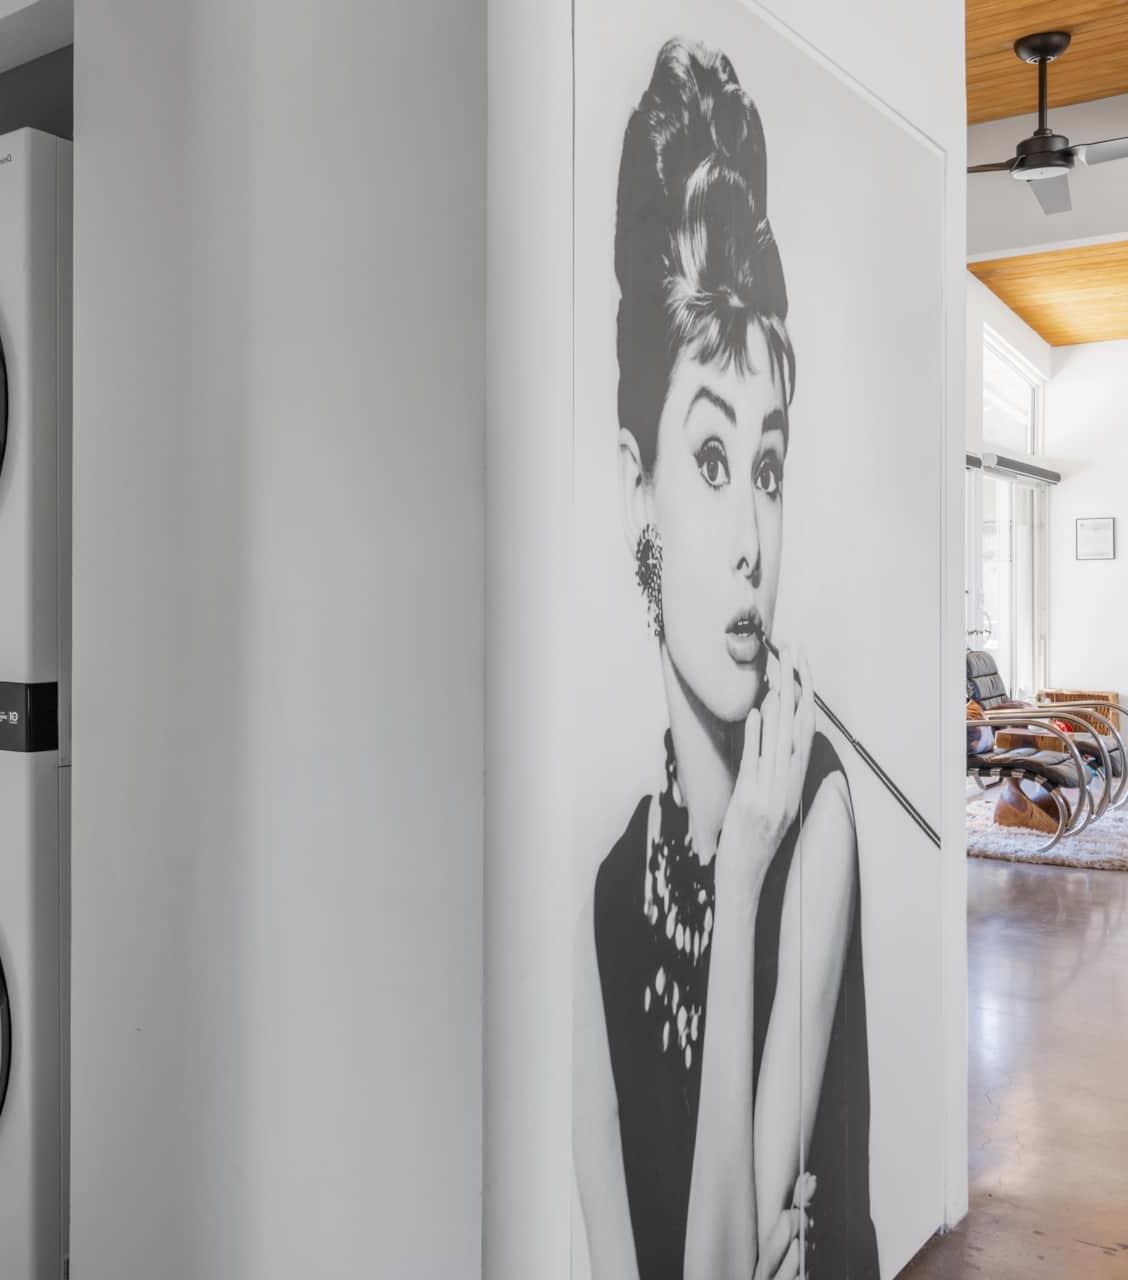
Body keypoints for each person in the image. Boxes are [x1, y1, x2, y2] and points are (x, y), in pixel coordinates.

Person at [572, 37, 879, 1280]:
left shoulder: (820, 825)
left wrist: (744, 874)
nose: (754, 538)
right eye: (709, 461)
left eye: (768, 466)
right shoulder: (604, 897)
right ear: (638, 479)